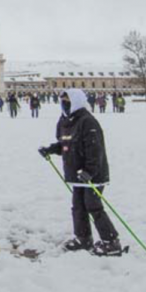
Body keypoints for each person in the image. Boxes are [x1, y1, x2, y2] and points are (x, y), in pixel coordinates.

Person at [38, 89, 122, 256]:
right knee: (78, 207)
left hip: (93, 175)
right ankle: (83, 238)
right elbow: (65, 145)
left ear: (76, 101)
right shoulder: (64, 121)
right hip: (76, 175)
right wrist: (50, 149)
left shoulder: (87, 121)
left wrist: (89, 171)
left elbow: (95, 150)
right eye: (62, 101)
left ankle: (111, 242)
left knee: (93, 206)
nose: (64, 104)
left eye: (68, 101)